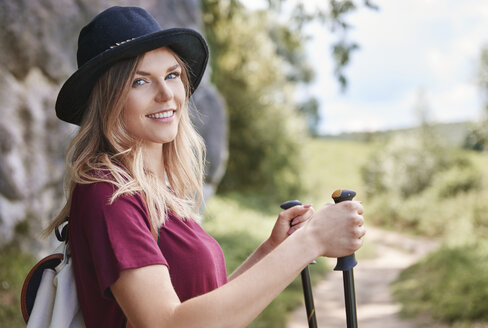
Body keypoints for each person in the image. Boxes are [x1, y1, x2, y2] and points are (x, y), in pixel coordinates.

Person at [43, 6, 366, 328]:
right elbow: (167, 323)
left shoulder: (155, 191)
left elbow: (205, 311)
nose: (166, 94)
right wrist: (312, 241)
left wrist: (273, 249)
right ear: (107, 99)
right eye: (140, 82)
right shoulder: (107, 194)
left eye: (172, 75)